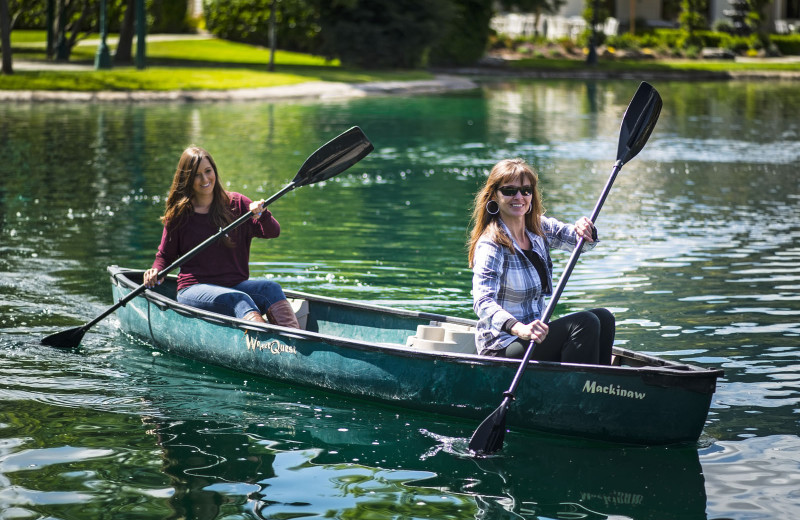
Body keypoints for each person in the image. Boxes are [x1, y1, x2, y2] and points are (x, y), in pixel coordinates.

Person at [468, 158, 613, 364]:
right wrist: (520, 328)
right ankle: (574, 391)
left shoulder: (538, 227)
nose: (519, 196)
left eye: (526, 190)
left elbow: (582, 244)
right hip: (503, 345)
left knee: (604, 318)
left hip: (536, 337)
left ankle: (600, 385)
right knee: (585, 323)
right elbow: (482, 302)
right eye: (509, 191)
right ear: (494, 195)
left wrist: (584, 229)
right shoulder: (491, 243)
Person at [143, 145, 299, 329]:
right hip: (193, 290)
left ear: (214, 171)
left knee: (271, 289)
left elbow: (273, 232)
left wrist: (263, 214)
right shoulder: (179, 215)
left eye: (208, 171)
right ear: (187, 179)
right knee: (238, 299)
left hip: (234, 285)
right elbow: (165, 257)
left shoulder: (238, 204)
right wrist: (155, 271)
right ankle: (266, 345)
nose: (205, 179)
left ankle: (293, 341)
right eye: (197, 175)